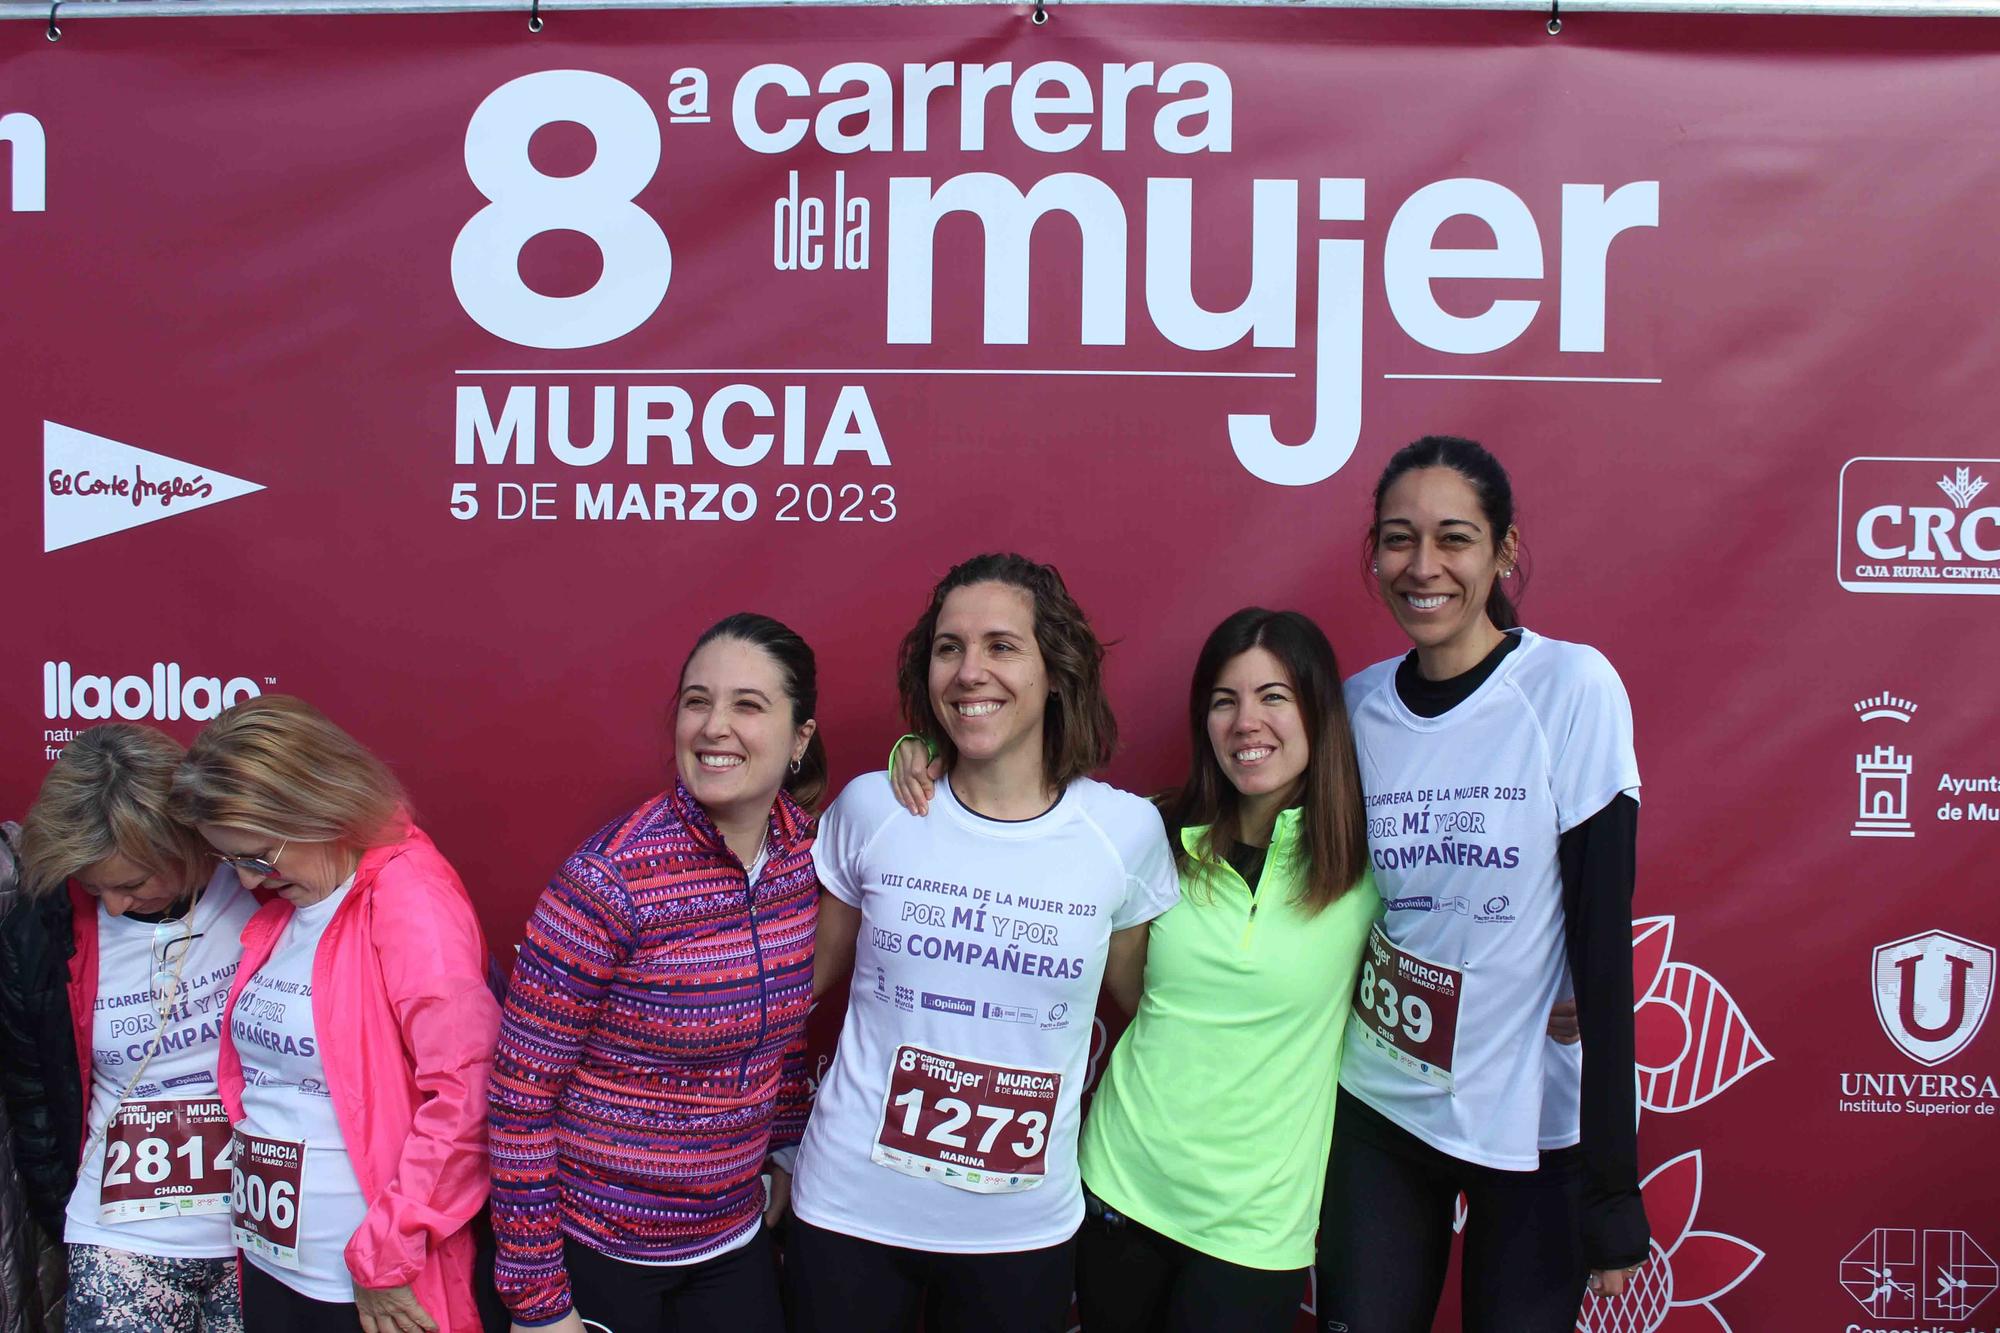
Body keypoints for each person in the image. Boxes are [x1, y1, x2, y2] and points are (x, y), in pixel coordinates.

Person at [787, 552, 1181, 1333]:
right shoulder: (875, 807)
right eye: (949, 648)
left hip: (1020, 1231)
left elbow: (1145, 1008)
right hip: (850, 1210)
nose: (971, 671)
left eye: (1002, 646)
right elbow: (794, 983)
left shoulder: (1123, 833)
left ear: (1056, 671)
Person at [1316, 435, 1649, 1333]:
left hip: (1532, 1116)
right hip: (1381, 1101)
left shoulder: (1569, 688)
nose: (1423, 566)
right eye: (1398, 538)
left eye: (1454, 538)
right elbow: (1234, 810)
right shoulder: (1352, 707)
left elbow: (1602, 941)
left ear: (1503, 550)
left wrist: (1615, 1194)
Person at [487, 613, 823, 1333]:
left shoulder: (803, 858)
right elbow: (519, 1095)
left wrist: (788, 1149)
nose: (713, 726)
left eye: (748, 705)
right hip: (596, 1255)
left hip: (733, 1243)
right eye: (697, 701)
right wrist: (538, 1301)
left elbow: (785, 1031)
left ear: (800, 738)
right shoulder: (609, 879)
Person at [1071, 609, 1376, 1333]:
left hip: (1255, 1229)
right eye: (1223, 700)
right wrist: (921, 749)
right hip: (1119, 1185)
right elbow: (1136, 994)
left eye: (1274, 696)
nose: (1247, 721)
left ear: (1318, 710)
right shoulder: (1156, 834)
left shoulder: (1367, 862)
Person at [172, 696, 501, 1333]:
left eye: (258, 857)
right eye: (230, 860)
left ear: (317, 808)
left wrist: (385, 1256)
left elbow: (469, 1095)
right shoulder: (293, 906)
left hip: (362, 1281)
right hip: (271, 1260)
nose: (246, 885)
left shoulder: (410, 898)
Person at [0, 724, 258, 1333]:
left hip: (265, 1227)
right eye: (94, 886)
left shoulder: (260, 886)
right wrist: (63, 1205)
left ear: (183, 844)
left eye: (132, 884)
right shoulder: (43, 932)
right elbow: (36, 1097)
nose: (112, 905)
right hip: (119, 1234)